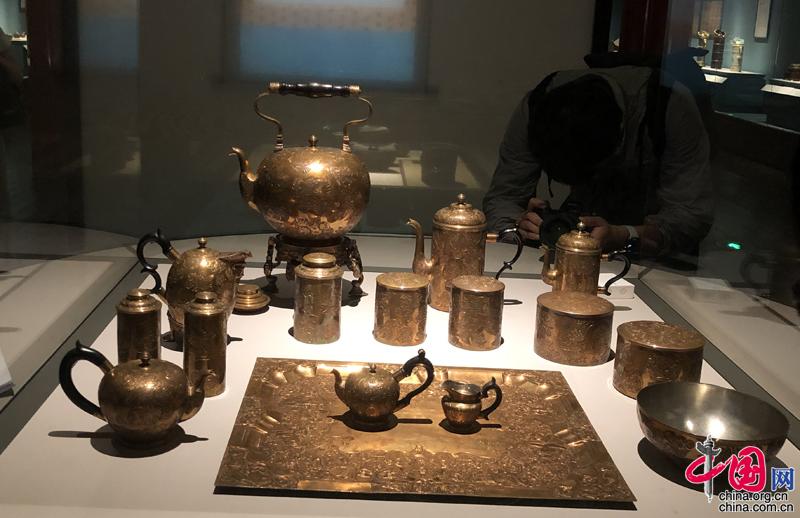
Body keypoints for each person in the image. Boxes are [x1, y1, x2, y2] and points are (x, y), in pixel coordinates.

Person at [482, 61, 713, 258]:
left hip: (649, 260)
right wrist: (518, 228)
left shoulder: (668, 107)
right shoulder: (536, 107)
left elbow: (690, 216)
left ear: (619, 138)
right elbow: (504, 197)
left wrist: (626, 236)